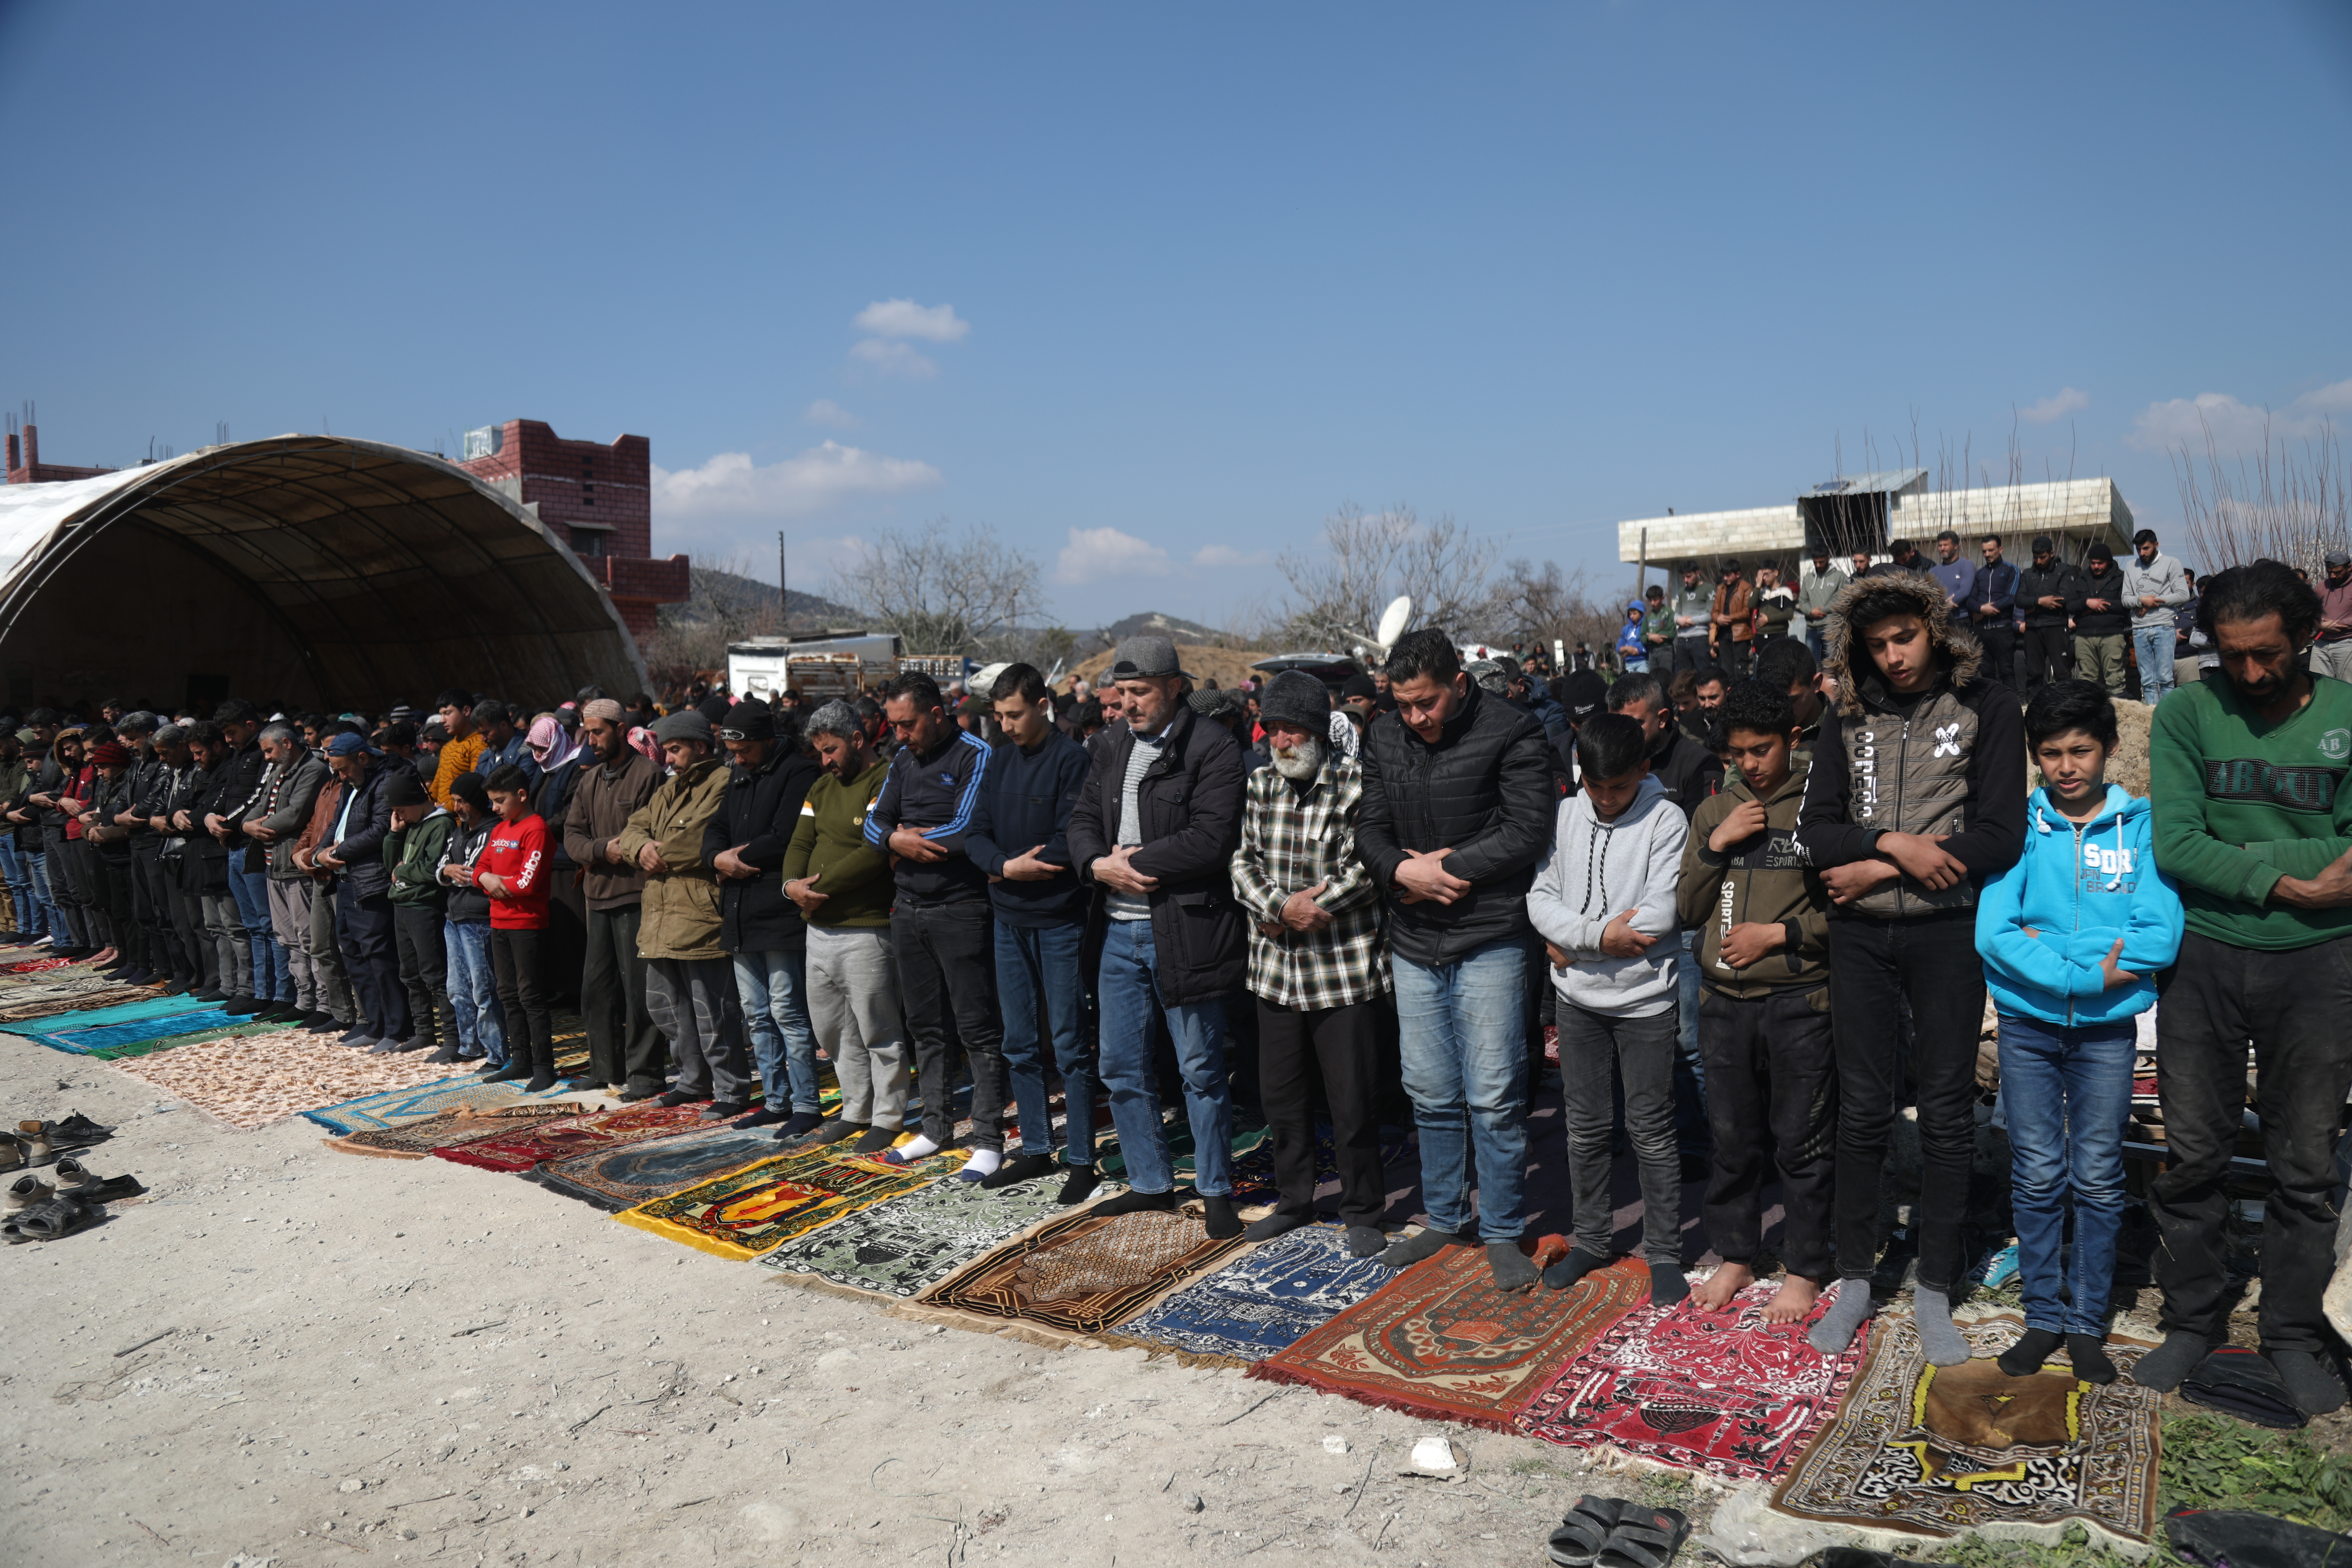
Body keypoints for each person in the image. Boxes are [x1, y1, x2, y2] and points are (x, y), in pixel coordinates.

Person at [2136, 561, 2352, 1414]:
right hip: (2207, 958)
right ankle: (2192, 1319)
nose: (2253, 674)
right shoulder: (2186, 712)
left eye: (2269, 654)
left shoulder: (2348, 716)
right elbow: (2177, 848)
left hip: (2323, 965)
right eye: (2234, 657)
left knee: (2304, 1160)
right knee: (2194, 1154)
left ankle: (2292, 1333)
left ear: (2307, 636)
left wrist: (2244, 866)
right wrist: (2294, 878)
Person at [1795, 571, 2026, 1363]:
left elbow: (1999, 836)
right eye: (1877, 643)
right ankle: (1856, 1278)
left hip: (1947, 933)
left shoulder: (1987, 707)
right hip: (1860, 939)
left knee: (1949, 1112)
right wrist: (1890, 848)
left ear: (1934, 627)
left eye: (1906, 637)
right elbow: (1819, 831)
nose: (1893, 656)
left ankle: (1934, 1285)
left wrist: (1875, 871)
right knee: (1861, 1111)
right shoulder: (1848, 713)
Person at [1973, 679, 2181, 1385]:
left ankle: (2088, 1323)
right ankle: (2043, 1316)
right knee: (2036, 1173)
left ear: (2111, 751)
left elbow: (2157, 929)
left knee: (2096, 1174)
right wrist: (2084, 974)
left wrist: (2086, 976)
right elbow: (1994, 931)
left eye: (2081, 750)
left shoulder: (2142, 825)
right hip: (2029, 1029)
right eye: (2051, 753)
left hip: (2106, 1035)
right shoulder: (2020, 825)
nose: (2067, 766)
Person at [1356, 628, 1556, 1287]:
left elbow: (1528, 829)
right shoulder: (1383, 736)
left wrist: (1450, 868)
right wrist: (1401, 873)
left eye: (1427, 703)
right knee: (1430, 1091)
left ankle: (1501, 1229)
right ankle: (1444, 1217)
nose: (1415, 718)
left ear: (1459, 684)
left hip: (1490, 933)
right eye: (1403, 704)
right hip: (1413, 937)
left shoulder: (1514, 730)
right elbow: (1369, 829)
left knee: (1495, 1094)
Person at [1067, 634, 1250, 1236]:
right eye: (1122, 693)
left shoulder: (1213, 747)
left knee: (1199, 1066)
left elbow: (1211, 838)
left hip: (1183, 928)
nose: (1129, 704)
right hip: (1116, 931)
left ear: (1176, 686)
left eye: (1141, 692)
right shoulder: (1112, 743)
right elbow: (1083, 821)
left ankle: (1215, 1185)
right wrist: (1098, 865)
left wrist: (1137, 862)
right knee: (1121, 1065)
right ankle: (1150, 1183)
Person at [1678, 679, 1834, 1323]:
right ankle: (1737, 1256)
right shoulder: (1717, 811)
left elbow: (1848, 912)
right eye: (1738, 752)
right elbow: (1687, 908)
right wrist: (1717, 847)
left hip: (1800, 1001)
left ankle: (1804, 1268)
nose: (1750, 763)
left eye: (1762, 749)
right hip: (1721, 1003)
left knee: (1801, 1141)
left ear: (1792, 739)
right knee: (1733, 1140)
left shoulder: (1822, 807)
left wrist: (1780, 933)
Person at [1528, 713, 1690, 1302]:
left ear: (1643, 770)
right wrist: (1595, 938)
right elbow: (1540, 898)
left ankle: (1667, 1252)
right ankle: (1593, 1239)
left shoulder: (1667, 818)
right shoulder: (1568, 812)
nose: (1604, 800)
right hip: (1577, 998)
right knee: (1586, 1128)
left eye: (1618, 788)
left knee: (1650, 1129)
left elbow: (1659, 915)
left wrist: (1575, 938)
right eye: (1594, 787)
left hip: (1645, 1000)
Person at [1228, 669, 1390, 1254]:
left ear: (1319, 732)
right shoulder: (1259, 787)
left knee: (1352, 1099)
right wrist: (1278, 907)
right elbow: (1242, 863)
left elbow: (1364, 872)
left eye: (1293, 729)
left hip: (1341, 970)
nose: (1281, 741)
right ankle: (1295, 1200)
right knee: (1282, 1096)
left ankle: (1363, 1208)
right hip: (1275, 970)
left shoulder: (1356, 786)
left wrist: (1304, 908)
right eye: (1273, 730)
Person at [864, 670, 1006, 1176]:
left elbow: (966, 830)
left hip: (960, 909)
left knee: (976, 1028)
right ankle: (936, 1126)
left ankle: (988, 1135)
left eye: (907, 725)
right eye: (894, 725)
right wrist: (895, 841)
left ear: (937, 715)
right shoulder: (903, 759)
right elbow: (874, 819)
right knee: (925, 1026)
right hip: (909, 908)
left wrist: (909, 839)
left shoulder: (975, 755)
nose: (899, 735)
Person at [964, 663, 1098, 1194]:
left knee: (1069, 1044)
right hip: (1008, 916)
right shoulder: (998, 761)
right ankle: (1038, 1149)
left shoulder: (1072, 761)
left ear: (1042, 705)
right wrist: (1003, 866)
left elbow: (1074, 838)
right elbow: (975, 833)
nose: (1006, 726)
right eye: (998, 716)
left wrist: (1020, 867)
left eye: (1014, 715)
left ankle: (1083, 1158)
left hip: (1059, 920)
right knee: (1018, 1042)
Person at [615, 710, 751, 1116]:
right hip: (660, 917)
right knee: (668, 1009)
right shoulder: (668, 789)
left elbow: (698, 840)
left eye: (675, 750)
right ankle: (693, 1080)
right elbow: (633, 828)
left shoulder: (722, 782)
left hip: (699, 916)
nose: (668, 758)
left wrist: (653, 852)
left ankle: (731, 1090)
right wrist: (640, 848)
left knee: (714, 1013)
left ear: (701, 747)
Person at [782, 700, 904, 1153]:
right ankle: (856, 1109)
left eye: (831, 750)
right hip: (819, 930)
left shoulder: (884, 779)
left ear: (858, 739)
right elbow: (800, 841)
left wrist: (819, 888)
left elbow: (874, 850)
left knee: (878, 1028)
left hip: (865, 928)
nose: (825, 761)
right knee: (834, 1030)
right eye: (819, 752)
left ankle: (889, 1114)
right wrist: (792, 885)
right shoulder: (820, 787)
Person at [708, 697, 824, 1135]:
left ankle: (806, 1104)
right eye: (735, 753)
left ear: (768, 741)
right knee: (756, 1013)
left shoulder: (798, 772)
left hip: (776, 912)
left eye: (745, 751)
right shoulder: (740, 773)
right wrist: (716, 858)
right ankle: (776, 1100)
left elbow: (785, 836)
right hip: (739, 911)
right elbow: (716, 828)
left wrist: (738, 859)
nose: (738, 760)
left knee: (788, 1013)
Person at [564, 699, 665, 1098]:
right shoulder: (589, 779)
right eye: (587, 732)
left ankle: (645, 1074)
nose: (592, 740)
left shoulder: (648, 775)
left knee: (639, 991)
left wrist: (606, 849)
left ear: (621, 730)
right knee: (596, 989)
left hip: (636, 896)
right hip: (597, 897)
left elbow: (644, 838)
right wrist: (600, 850)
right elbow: (573, 836)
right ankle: (605, 1067)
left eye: (599, 731)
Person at [455, 763, 557, 1088]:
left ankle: (544, 1066)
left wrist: (497, 884)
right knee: (508, 994)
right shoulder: (500, 829)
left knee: (531, 996)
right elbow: (480, 867)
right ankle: (521, 1060)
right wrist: (486, 878)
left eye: (500, 801)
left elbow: (528, 882)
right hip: (498, 921)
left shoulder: (535, 829)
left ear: (522, 795)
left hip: (526, 924)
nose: (495, 809)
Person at [314, 733, 410, 1050]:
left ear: (363, 759)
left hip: (370, 881)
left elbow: (380, 830)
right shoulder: (351, 785)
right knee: (353, 954)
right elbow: (336, 824)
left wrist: (339, 853)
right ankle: (374, 1023)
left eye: (342, 769)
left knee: (379, 957)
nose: (339, 776)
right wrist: (321, 853)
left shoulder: (382, 782)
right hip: (344, 880)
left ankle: (397, 1028)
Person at [248, 722, 331, 1026]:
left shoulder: (312, 769)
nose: (266, 758)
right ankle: (304, 1000)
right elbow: (258, 806)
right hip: (274, 867)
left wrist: (261, 827)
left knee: (309, 939)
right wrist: (248, 825)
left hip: (295, 867)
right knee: (288, 939)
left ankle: (324, 1004)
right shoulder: (277, 770)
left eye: (269, 750)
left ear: (286, 743)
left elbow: (297, 813)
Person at [382, 768, 459, 1057]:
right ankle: (424, 1032)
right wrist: (393, 834)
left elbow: (432, 870)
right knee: (410, 974)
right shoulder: (409, 825)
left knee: (435, 975)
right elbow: (391, 865)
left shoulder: (441, 826)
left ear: (417, 801)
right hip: (402, 904)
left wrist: (403, 870)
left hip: (425, 907)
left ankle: (452, 1039)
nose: (400, 816)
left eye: (401, 810)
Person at [437, 773, 507, 1069]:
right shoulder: (458, 831)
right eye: (454, 801)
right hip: (454, 917)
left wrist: (451, 872)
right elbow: (440, 869)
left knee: (484, 989)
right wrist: (447, 872)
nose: (457, 807)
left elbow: (470, 874)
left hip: (478, 918)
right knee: (457, 987)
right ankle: (470, 1045)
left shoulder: (492, 832)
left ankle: (497, 1053)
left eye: (462, 801)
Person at [2119, 530, 2192, 705]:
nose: (2142, 553)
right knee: (2148, 682)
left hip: (2164, 627)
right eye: (2139, 549)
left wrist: (2154, 602)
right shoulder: (2131, 566)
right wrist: (2141, 601)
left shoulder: (2171, 563)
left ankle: (2167, 718)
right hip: (2140, 629)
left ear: (2156, 545)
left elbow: (2183, 595)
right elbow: (2125, 599)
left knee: (2166, 679)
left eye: (2146, 548)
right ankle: (2153, 718)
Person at [2016, 535, 2081, 694]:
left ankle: (2065, 707)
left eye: (2043, 557)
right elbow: (2019, 600)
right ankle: (2036, 707)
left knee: (2062, 672)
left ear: (2052, 554)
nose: (2039, 561)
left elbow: (2063, 598)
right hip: (2033, 628)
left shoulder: (2064, 571)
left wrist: (2032, 607)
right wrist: (2040, 602)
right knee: (2034, 674)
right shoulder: (2028, 574)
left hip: (2056, 626)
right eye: (2036, 558)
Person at [2069, 542, 2132, 697]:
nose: (2096, 567)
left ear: (2109, 562)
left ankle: (2118, 715)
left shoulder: (2122, 578)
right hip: (2085, 636)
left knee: (2115, 680)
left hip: (2112, 635)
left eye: (2100, 563)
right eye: (2093, 563)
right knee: (2086, 681)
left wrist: (2102, 605)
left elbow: (2126, 605)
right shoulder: (2081, 580)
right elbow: (2069, 606)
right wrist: (2086, 603)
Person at [1968, 534, 2020, 686]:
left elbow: (2011, 598)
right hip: (1981, 631)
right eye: (1984, 551)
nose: (1988, 555)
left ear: (2001, 549)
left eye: (1991, 550)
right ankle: (1991, 707)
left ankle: (2012, 707)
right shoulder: (1980, 574)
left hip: (2002, 629)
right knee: (1987, 673)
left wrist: (1988, 610)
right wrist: (1981, 609)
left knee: (2007, 671)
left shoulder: (2012, 570)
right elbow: (1970, 601)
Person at [429, 688, 486, 809]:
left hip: (464, 821)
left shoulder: (479, 744)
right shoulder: (447, 748)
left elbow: (474, 787)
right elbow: (437, 785)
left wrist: (442, 810)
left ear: (466, 711)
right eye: (441, 714)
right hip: (443, 819)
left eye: (448, 713)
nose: (442, 720)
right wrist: (426, 805)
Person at [1795, 549, 1847, 663]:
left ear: (1829, 558)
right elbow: (1803, 601)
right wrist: (1810, 612)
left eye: (1821, 562)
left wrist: (1823, 611)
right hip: (1811, 629)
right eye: (1815, 562)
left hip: (1831, 627)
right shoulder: (1808, 578)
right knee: (1812, 664)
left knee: (1833, 663)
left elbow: (1841, 599)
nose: (1818, 565)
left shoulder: (1839, 577)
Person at [1710, 560, 1754, 679]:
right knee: (1726, 671)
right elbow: (1714, 612)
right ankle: (1730, 695)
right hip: (1724, 635)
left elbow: (1747, 612)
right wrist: (1718, 619)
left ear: (1738, 574)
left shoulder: (1747, 588)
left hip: (1740, 634)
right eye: (1724, 575)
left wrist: (1728, 619)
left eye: (1728, 575)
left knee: (1741, 670)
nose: (1726, 578)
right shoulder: (1721, 589)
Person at [2313, 550, 2352, 684]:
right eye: (2330, 572)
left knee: (2348, 687)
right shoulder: (2320, 587)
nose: (2333, 576)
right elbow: (2309, 612)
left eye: (2338, 572)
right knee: (2319, 685)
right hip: (2320, 645)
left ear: (2349, 568)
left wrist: (2340, 623)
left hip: (2347, 643)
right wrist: (2319, 623)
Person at [1668, 565, 1713, 673]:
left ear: (1698, 573)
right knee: (1684, 676)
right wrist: (1679, 620)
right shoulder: (1682, 592)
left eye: (1689, 577)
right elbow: (1676, 614)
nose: (1686, 580)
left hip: (1700, 639)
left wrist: (1692, 621)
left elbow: (1711, 614)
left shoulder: (1708, 589)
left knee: (1705, 674)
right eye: (1684, 577)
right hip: (1682, 640)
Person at [1928, 530, 1973, 627]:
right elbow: (1929, 596)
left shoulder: (1966, 566)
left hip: (1962, 620)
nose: (1943, 549)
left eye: (1946, 545)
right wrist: (1944, 607)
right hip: (1941, 620)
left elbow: (1966, 591)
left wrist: (1953, 601)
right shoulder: (1933, 572)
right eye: (1940, 546)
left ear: (1956, 546)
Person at [1752, 564, 1795, 648]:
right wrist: (1758, 586)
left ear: (1776, 573)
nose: (1764, 578)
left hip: (1778, 634)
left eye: (1767, 574)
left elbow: (1789, 614)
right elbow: (1751, 605)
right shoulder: (1760, 593)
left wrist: (1768, 619)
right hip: (1761, 635)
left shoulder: (1786, 592)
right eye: (1761, 576)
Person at [1614, 600, 1650, 673]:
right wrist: (1627, 649)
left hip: (1642, 661)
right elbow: (1619, 647)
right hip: (1629, 663)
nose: (1632, 616)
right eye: (1630, 614)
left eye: (1635, 614)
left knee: (1643, 683)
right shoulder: (1626, 629)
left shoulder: (1646, 626)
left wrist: (1635, 650)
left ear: (1642, 613)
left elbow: (1646, 644)